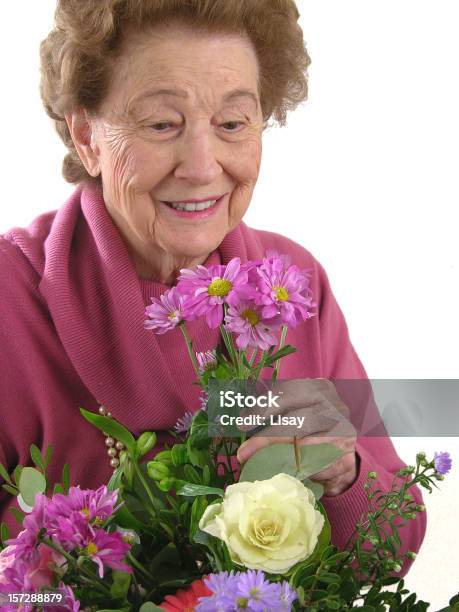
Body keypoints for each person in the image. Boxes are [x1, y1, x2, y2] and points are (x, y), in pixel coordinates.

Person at [0, 0, 425, 573]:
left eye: (232, 124)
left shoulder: (292, 281)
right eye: (160, 124)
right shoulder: (10, 295)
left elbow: (395, 541)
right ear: (85, 135)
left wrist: (346, 473)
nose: (202, 166)